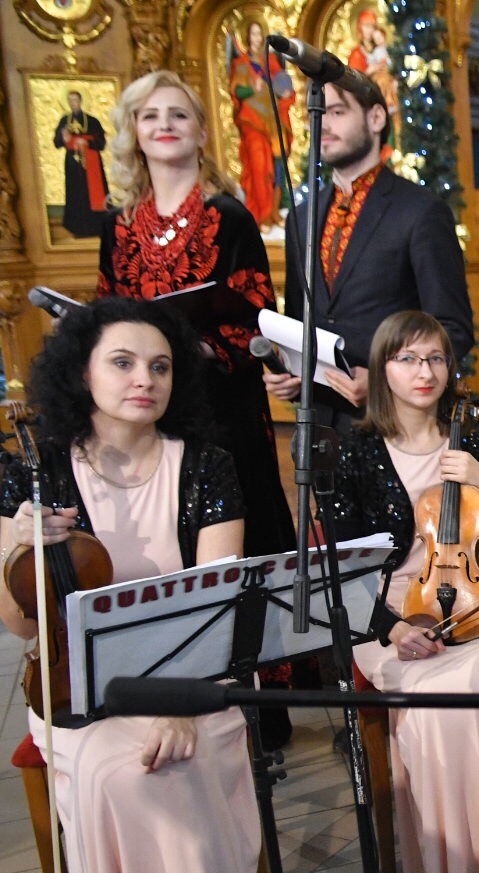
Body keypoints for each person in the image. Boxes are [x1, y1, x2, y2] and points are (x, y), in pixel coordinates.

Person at [0, 298, 263, 873]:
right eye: (122, 362)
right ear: (81, 371)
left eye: (160, 366)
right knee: (122, 776)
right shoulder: (34, 471)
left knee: (174, 768)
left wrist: (178, 700)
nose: (144, 378)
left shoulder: (207, 466)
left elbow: (219, 603)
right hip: (76, 687)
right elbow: (20, 626)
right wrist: (13, 547)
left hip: (193, 677)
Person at [97, 70, 298, 744]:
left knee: (241, 541)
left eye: (178, 114)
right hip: (148, 413)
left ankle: (261, 708)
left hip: (224, 407)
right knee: (167, 540)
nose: (164, 125)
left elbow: (257, 313)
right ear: (134, 132)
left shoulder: (229, 216)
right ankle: (170, 687)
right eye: (150, 115)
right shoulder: (119, 226)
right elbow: (106, 313)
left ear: (201, 131)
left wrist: (209, 347)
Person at [327, 310, 479, 873]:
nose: (424, 371)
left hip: (474, 603)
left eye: (436, 358)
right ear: (382, 368)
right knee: (431, 703)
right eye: (407, 359)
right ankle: (453, 871)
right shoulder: (354, 452)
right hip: (389, 611)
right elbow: (342, 571)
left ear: (450, 368)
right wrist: (392, 628)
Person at [266, 71, 474, 431]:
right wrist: (288, 370)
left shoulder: (421, 211)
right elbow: (299, 323)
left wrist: (383, 380)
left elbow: (452, 329)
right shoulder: (301, 217)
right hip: (319, 428)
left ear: (376, 117)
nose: (323, 125)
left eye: (336, 112)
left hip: (397, 426)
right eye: (316, 115)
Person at [227, 21, 295, 228]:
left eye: (259, 34)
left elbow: (283, 83)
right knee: (259, 166)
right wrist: (252, 89)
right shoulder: (241, 64)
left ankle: (274, 212)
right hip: (252, 122)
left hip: (273, 121)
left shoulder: (270, 61)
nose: (256, 38)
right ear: (247, 37)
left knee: (278, 166)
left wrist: (285, 92)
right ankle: (262, 215)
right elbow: (237, 91)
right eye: (253, 34)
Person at [53, 90, 108, 238]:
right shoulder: (64, 121)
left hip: (91, 162)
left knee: (92, 192)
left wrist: (86, 142)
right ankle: (77, 228)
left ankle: (97, 227)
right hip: (73, 163)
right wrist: (63, 138)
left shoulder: (92, 121)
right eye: (70, 100)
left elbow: (101, 143)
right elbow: (57, 142)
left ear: (81, 101)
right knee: (76, 193)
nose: (73, 103)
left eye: (75, 100)